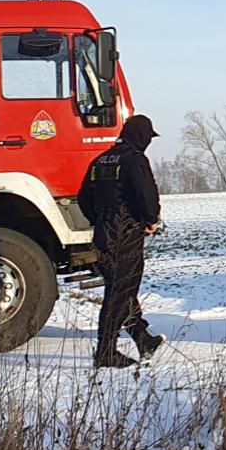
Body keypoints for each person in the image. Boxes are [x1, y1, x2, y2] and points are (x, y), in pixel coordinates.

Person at [77, 115, 167, 368]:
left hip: (103, 234)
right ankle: (105, 352)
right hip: (126, 233)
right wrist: (151, 220)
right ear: (141, 137)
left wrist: (101, 220)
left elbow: (84, 198)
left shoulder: (100, 160)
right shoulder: (135, 161)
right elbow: (146, 194)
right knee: (118, 293)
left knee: (122, 290)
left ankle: (143, 339)